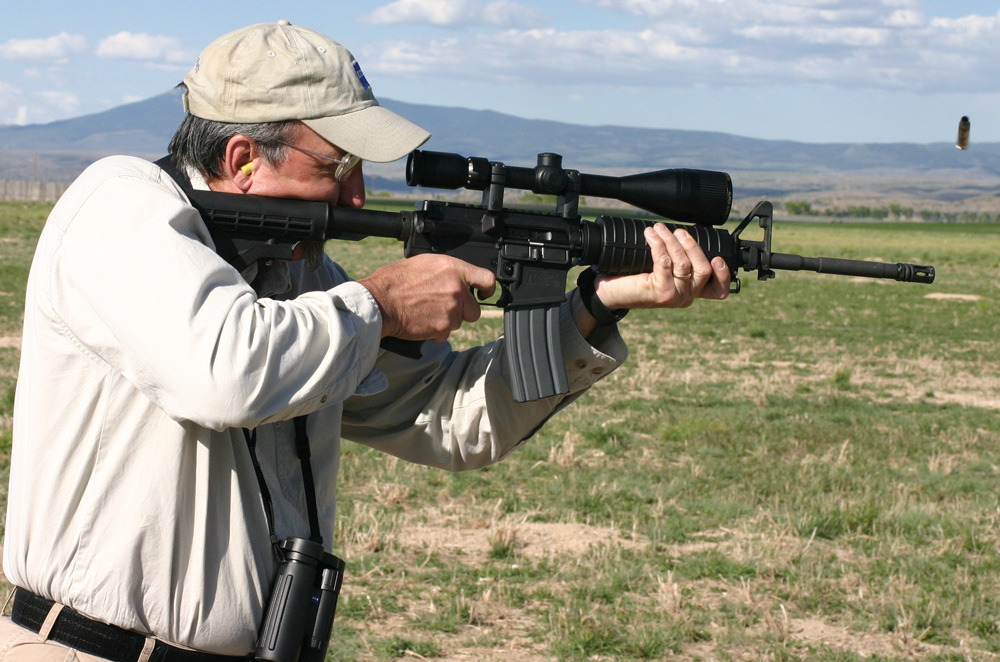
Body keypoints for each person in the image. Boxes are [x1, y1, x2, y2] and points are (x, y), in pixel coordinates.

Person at [0, 20, 731, 662]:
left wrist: (596, 306)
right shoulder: (122, 204)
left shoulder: (301, 280)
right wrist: (379, 305)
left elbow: (450, 421)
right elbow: (224, 372)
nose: (355, 197)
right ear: (244, 160)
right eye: (335, 167)